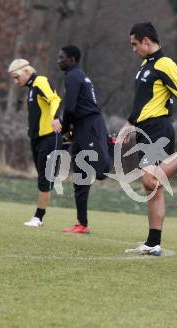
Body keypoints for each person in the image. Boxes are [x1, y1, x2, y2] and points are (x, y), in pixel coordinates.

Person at [117, 22, 177, 256]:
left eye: (135, 44)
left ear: (147, 41)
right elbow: (141, 103)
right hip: (145, 129)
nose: (133, 48)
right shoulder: (145, 65)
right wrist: (129, 126)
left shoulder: (165, 64)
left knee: (149, 180)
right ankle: (153, 243)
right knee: (154, 189)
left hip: (159, 129)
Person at [57, 45, 112, 234]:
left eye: (61, 57)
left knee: (101, 171)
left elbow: (70, 108)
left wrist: (64, 129)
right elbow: (73, 109)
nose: (58, 60)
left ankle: (110, 148)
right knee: (80, 175)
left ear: (72, 59)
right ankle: (82, 224)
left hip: (90, 126)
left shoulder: (74, 76)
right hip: (82, 127)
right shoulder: (75, 75)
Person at [7, 59, 62, 227]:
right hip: (37, 139)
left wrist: (55, 118)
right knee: (44, 178)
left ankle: (38, 218)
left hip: (49, 137)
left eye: (17, 77)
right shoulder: (31, 89)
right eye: (13, 79)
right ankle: (39, 216)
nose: (16, 82)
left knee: (45, 179)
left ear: (26, 71)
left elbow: (55, 99)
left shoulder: (40, 82)